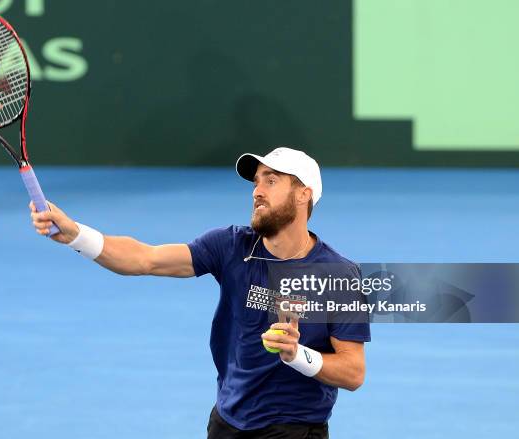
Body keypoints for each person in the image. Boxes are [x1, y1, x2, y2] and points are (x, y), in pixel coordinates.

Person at [30, 147, 370, 438]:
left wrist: (298, 356)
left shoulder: (340, 276)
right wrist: (77, 235)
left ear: (303, 194)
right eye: (256, 182)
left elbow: (353, 373)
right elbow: (145, 259)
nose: (257, 191)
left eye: (271, 180)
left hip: (293, 428)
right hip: (227, 421)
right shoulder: (231, 245)